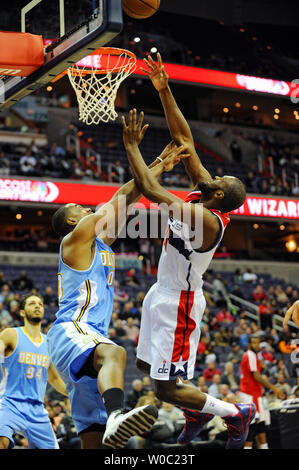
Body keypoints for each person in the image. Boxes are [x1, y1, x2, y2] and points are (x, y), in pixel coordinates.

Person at [122, 77, 255, 450]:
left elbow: (151, 190)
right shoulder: (207, 193)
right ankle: (194, 411)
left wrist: (132, 147)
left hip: (180, 301)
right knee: (148, 369)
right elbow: (186, 142)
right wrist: (163, 89)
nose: (212, 174)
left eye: (218, 178)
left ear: (216, 195)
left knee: (165, 389)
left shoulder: (209, 220)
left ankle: (234, 413)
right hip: (160, 291)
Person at [47, 128, 187, 449]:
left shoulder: (99, 243)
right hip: (73, 330)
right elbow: (118, 199)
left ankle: (110, 421)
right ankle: (117, 415)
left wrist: (158, 168)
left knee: (95, 443)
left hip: (87, 338)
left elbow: (129, 201)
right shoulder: (76, 238)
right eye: (79, 210)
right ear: (72, 222)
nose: (86, 210)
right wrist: (150, 161)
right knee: (115, 352)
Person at [0, 293, 68, 449]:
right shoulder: (11, 334)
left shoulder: (49, 343)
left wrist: (74, 392)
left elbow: (55, 380)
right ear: (22, 312)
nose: (37, 306)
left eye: (40, 304)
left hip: (37, 410)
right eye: (31, 303)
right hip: (9, 403)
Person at [239, 336, 285, 449]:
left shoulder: (254, 356)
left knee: (261, 427)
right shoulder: (249, 354)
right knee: (252, 427)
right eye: (254, 342)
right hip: (249, 394)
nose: (256, 345)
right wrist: (274, 388)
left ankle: (264, 446)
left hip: (256, 394)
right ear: (249, 344)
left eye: (258, 343)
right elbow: (256, 376)